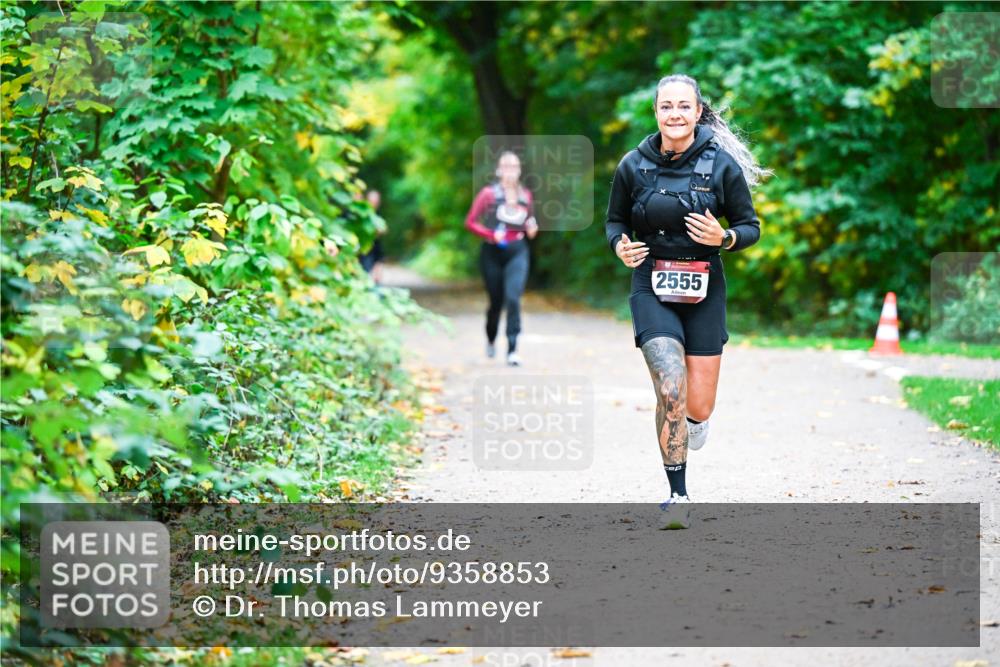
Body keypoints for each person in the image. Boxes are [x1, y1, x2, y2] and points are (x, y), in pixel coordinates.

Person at [604, 74, 768, 528]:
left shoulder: (721, 165)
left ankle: (693, 422)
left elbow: (750, 226)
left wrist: (726, 236)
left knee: (697, 405)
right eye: (665, 107)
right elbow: (615, 222)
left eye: (682, 107)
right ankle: (678, 494)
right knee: (669, 383)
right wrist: (620, 246)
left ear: (698, 112)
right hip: (651, 282)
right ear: (655, 112)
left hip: (704, 286)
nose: (673, 114)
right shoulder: (632, 165)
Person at [465, 151, 539, 366]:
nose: (510, 171)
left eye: (514, 166)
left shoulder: (526, 195)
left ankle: (513, 349)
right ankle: (490, 338)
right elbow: (471, 221)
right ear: (499, 170)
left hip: (517, 251)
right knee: (495, 302)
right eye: (506, 166)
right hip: (492, 253)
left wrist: (532, 228)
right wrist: (490, 235)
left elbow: (530, 224)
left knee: (513, 298)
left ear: (519, 170)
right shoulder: (488, 194)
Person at [358, 189, 386, 285]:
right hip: (362, 252)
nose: (374, 204)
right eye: (372, 201)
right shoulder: (361, 212)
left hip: (374, 251)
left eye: (376, 202)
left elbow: (382, 231)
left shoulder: (377, 215)